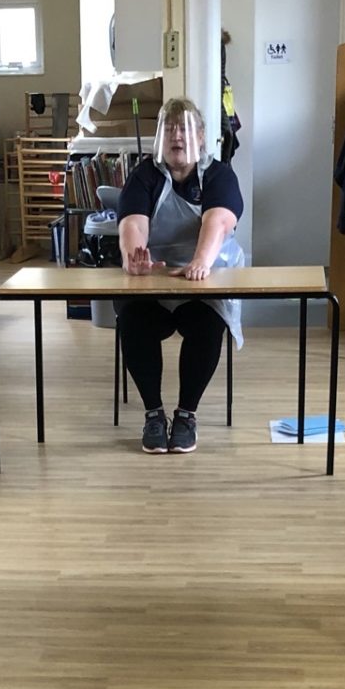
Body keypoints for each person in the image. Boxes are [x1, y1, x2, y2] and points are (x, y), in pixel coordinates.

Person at [117, 97, 246, 455]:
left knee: (208, 324)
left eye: (185, 128)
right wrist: (134, 261)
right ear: (160, 137)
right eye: (169, 128)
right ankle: (153, 415)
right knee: (132, 319)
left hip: (204, 281)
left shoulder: (219, 175)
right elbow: (131, 223)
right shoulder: (143, 176)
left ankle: (187, 414)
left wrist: (200, 262)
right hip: (154, 283)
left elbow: (218, 221)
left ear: (202, 137)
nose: (177, 136)